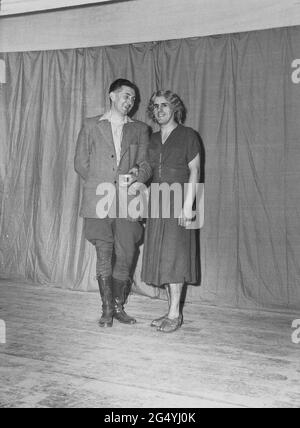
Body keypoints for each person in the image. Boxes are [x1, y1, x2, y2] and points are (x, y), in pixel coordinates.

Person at [75, 78, 151, 328]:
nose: (129, 101)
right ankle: (107, 308)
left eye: (132, 98)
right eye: (125, 96)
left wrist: (136, 177)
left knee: (127, 253)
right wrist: (103, 184)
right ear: (112, 95)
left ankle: (119, 306)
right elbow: (80, 163)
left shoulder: (140, 129)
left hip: (128, 201)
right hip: (99, 200)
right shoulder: (91, 125)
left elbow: (146, 165)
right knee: (104, 252)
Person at [141, 90, 201, 333]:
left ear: (175, 108)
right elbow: (148, 170)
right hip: (158, 203)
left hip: (179, 202)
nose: (159, 110)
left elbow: (195, 171)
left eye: (165, 105)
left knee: (175, 258)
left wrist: (188, 205)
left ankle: (175, 314)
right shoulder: (152, 139)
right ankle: (170, 310)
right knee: (163, 258)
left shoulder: (189, 136)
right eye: (155, 106)